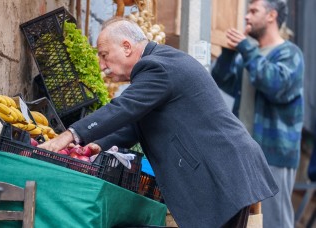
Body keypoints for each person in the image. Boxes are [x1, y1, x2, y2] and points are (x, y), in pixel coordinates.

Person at [38, 17, 278, 227]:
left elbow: (123, 108)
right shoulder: (159, 62)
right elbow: (135, 122)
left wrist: (69, 135)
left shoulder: (157, 67)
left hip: (221, 172)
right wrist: (99, 144)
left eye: (104, 55)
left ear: (126, 47)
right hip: (226, 168)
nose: (102, 66)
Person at [211, 0, 305, 227]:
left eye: (253, 11)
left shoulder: (290, 53)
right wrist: (228, 53)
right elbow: (221, 81)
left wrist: (245, 47)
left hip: (273, 155)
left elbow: (275, 85)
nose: (246, 16)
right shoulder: (249, 55)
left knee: (274, 222)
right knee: (247, 221)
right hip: (244, 153)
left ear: (271, 15)